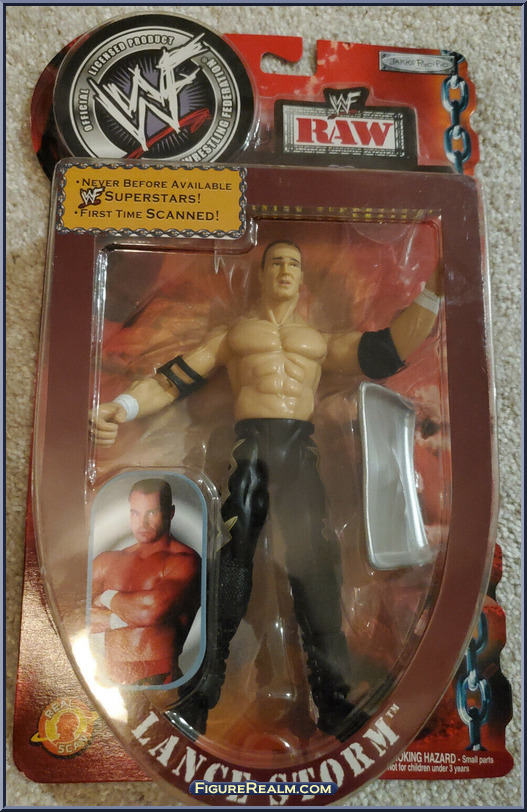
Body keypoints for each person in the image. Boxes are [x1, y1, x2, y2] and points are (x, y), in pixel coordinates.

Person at [90, 240, 441, 738]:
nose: (284, 270)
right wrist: (120, 409)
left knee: (317, 567)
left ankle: (333, 700)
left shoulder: (318, 341)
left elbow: (388, 350)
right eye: (275, 262)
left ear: (302, 279)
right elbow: (172, 380)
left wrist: (435, 292)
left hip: (299, 451)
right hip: (250, 450)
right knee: (231, 564)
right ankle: (199, 698)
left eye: (293, 263)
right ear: (261, 274)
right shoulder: (235, 336)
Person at [90, 478, 201, 686]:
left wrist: (105, 597)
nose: (142, 523)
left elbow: (149, 611)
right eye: (135, 513)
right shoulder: (107, 561)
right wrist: (121, 616)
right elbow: (75, 614)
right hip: (110, 680)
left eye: (151, 513)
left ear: (170, 513)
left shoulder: (186, 561)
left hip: (158, 679)